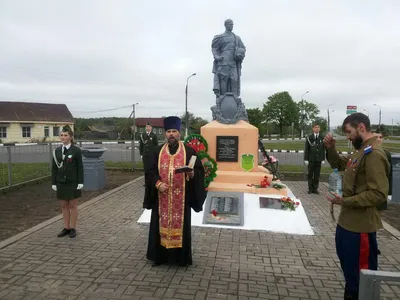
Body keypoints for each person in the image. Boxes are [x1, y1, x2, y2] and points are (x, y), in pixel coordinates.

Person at [323, 113, 389, 300]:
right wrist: (330, 148)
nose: (349, 137)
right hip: (348, 225)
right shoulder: (362, 151)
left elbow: (378, 194)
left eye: (349, 132)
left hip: (360, 229)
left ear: (361, 127)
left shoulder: (374, 154)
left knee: (361, 282)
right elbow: (339, 163)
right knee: (351, 278)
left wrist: (345, 201)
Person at [143, 116, 205, 267]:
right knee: (159, 226)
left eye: (174, 131)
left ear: (179, 133)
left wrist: (192, 174)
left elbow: (198, 171)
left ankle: (180, 259)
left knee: (181, 227)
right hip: (161, 197)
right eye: (169, 131)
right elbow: (150, 171)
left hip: (181, 199)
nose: (171, 134)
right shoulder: (157, 151)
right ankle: (160, 257)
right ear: (165, 134)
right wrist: (158, 184)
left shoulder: (189, 152)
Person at [52, 125, 84, 238]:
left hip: (73, 182)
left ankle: (73, 228)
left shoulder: (76, 150)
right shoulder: (56, 151)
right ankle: (66, 227)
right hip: (61, 182)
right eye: (61, 135)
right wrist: (54, 182)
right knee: (64, 205)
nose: (63, 137)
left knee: (73, 205)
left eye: (65, 135)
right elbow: (54, 168)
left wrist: (81, 181)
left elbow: (80, 167)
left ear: (70, 137)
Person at [212, 19, 246, 98]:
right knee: (224, 82)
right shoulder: (220, 37)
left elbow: (243, 47)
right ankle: (223, 100)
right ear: (226, 25)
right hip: (223, 63)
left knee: (235, 81)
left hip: (233, 63)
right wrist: (217, 56)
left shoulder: (237, 38)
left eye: (232, 25)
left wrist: (240, 53)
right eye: (229, 24)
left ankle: (234, 101)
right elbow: (214, 48)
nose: (231, 26)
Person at [304, 124, 326, 194]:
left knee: (317, 175)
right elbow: (307, 149)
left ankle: (315, 188)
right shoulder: (309, 137)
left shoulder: (322, 137)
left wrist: (323, 159)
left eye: (318, 127)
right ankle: (310, 188)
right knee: (310, 174)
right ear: (313, 129)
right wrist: (306, 159)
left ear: (320, 129)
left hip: (318, 159)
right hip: (311, 159)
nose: (317, 128)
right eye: (315, 127)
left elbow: (323, 149)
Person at [373, 130, 392, 209]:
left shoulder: (386, 154)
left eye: (380, 137)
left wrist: (389, 193)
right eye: (376, 137)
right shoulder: (365, 152)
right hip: (367, 192)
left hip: (381, 191)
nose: (378, 139)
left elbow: (389, 175)